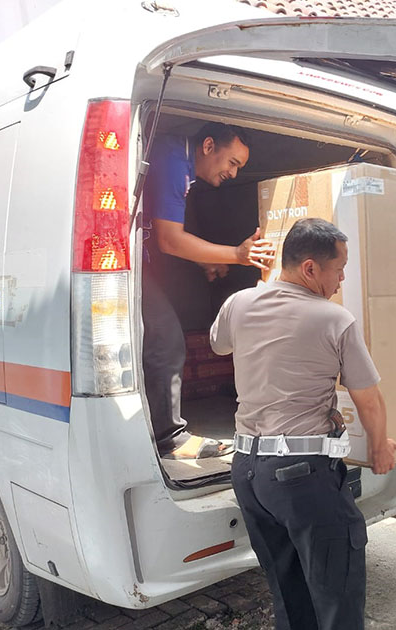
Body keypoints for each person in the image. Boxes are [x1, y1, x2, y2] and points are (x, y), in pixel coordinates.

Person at [210, 217, 396, 630]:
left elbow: (219, 344)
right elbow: (368, 398)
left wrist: (260, 294)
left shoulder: (239, 303)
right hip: (302, 478)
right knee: (336, 596)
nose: (342, 277)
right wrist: (380, 446)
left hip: (248, 473)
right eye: (339, 268)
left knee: (288, 591)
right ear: (310, 268)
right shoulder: (334, 319)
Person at [142, 122, 275, 460]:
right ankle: (169, 439)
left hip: (141, 261)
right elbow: (169, 240)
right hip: (128, 263)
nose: (234, 173)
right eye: (232, 162)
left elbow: (170, 231)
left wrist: (206, 260)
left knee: (161, 339)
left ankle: (152, 428)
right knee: (165, 341)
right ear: (208, 146)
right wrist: (238, 254)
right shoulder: (173, 161)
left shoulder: (181, 164)